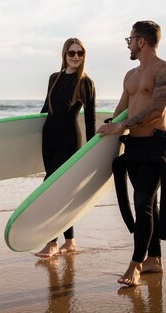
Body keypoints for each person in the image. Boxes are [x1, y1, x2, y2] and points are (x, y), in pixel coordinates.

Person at [97, 21, 166, 286]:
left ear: (141, 41)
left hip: (157, 145)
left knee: (143, 202)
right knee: (148, 204)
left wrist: (122, 125)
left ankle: (135, 265)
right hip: (134, 146)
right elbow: (122, 109)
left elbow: (157, 109)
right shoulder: (130, 76)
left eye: (129, 40)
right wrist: (106, 129)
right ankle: (154, 260)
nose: (128, 45)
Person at [34, 37, 96, 258]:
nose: (76, 57)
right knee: (61, 190)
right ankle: (70, 241)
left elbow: (90, 120)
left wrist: (91, 152)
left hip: (69, 140)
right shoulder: (54, 78)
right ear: (64, 54)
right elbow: (45, 110)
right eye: (72, 53)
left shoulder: (85, 83)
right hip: (48, 137)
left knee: (51, 189)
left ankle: (52, 243)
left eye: (80, 53)